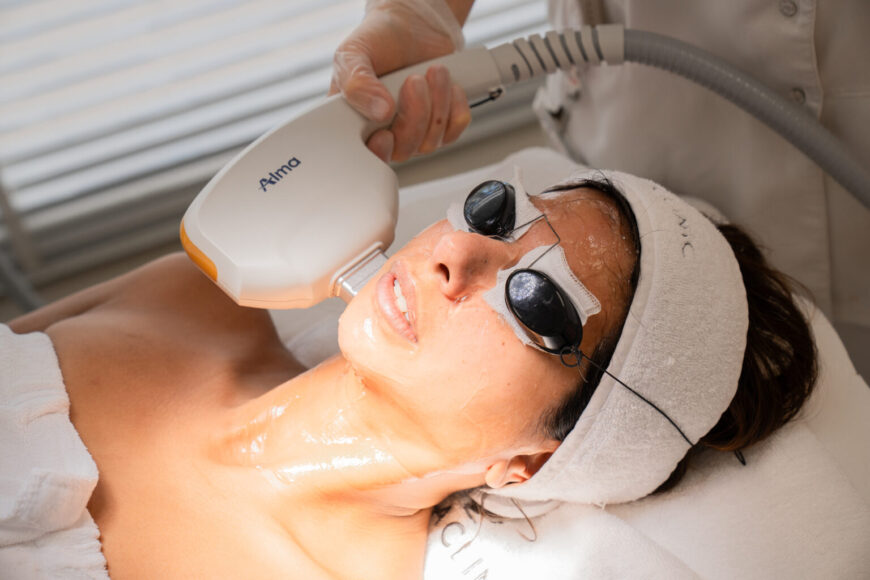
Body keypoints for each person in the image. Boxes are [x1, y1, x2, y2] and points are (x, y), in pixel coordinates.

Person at [3, 165, 816, 578]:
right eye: (495, 213)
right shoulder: (187, 299)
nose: (453, 255)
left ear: (530, 462)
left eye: (536, 301)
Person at [330, 0, 870, 376]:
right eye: (493, 212)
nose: (455, 244)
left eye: (536, 301)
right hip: (637, 116)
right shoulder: (244, 332)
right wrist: (416, 9)